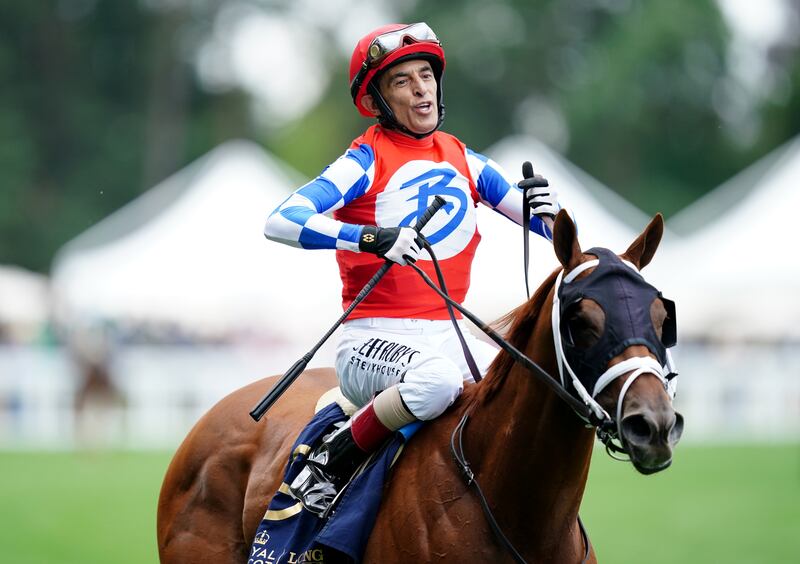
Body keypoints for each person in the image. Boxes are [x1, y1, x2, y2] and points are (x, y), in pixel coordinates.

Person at [264, 22, 561, 512]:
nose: (421, 88)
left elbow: (547, 228)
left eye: (426, 74)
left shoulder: (465, 159)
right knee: (438, 382)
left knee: (531, 389)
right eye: (402, 81)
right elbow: (281, 220)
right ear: (378, 100)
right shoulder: (362, 160)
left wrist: (548, 212)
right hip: (371, 341)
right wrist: (368, 237)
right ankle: (331, 461)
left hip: (451, 333)